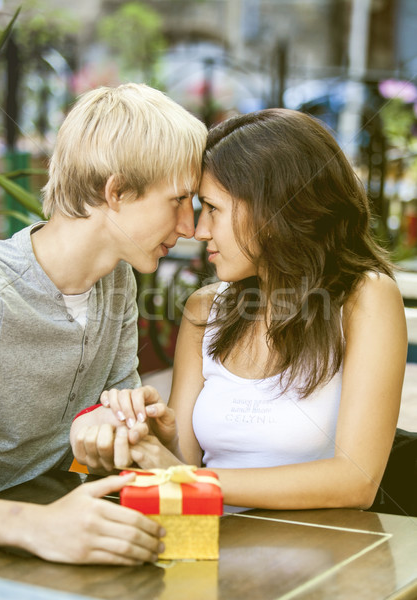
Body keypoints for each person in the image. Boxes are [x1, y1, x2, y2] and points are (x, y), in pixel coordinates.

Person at [72, 108, 408, 512]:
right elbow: (181, 470)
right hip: (207, 545)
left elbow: (355, 481)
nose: (198, 230)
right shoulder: (206, 309)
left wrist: (187, 478)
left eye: (213, 208)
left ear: (272, 209)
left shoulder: (364, 299)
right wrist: (156, 437)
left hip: (318, 556)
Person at [0, 83, 207, 563]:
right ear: (115, 192)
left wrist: (122, 424)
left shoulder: (117, 280)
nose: (190, 227)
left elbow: (108, 420)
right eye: (178, 200)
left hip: (66, 524)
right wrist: (38, 527)